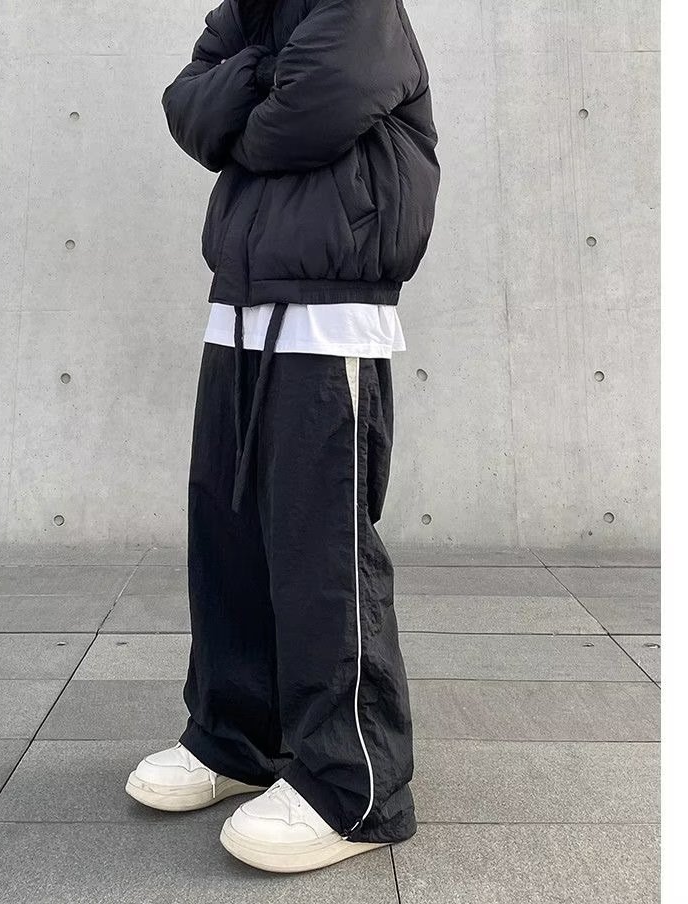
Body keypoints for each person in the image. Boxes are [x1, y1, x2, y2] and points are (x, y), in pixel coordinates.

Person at [126, 0, 440, 873]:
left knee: (320, 550)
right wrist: (261, 75)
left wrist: (247, 93)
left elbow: (292, 125)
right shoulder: (248, 9)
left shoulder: (360, 7)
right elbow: (188, 109)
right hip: (236, 308)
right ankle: (235, 738)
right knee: (226, 539)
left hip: (329, 320)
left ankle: (352, 786)